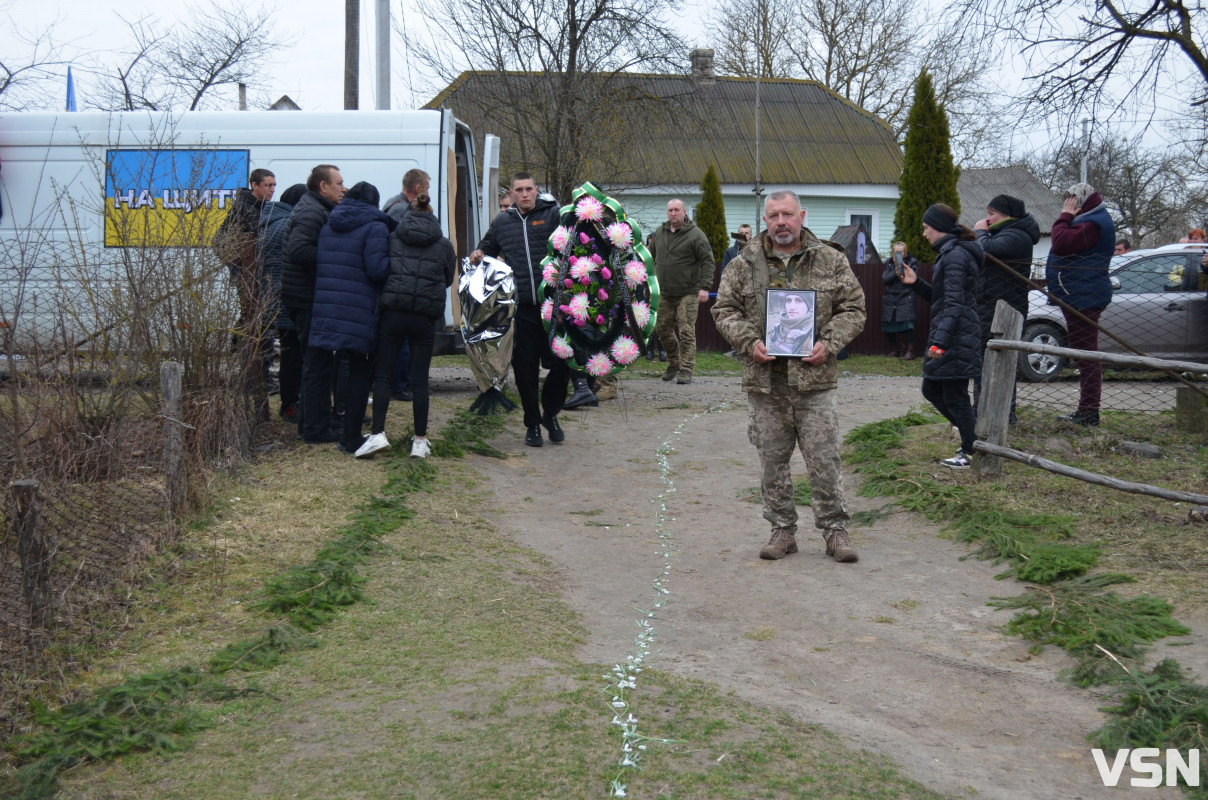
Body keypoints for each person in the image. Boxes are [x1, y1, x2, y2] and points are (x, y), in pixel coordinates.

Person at [712, 190, 866, 563]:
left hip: (814, 380)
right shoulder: (743, 262)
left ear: (802, 215)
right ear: (765, 220)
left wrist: (827, 344)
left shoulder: (830, 260)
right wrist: (749, 343)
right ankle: (782, 530)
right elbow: (724, 309)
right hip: (766, 382)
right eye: (773, 216)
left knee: (824, 458)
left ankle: (834, 531)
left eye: (788, 214)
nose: (781, 222)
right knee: (772, 461)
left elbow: (854, 309)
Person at [469, 172, 568, 448]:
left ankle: (551, 413)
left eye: (529, 189)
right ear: (511, 194)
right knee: (525, 369)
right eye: (519, 190)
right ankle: (533, 424)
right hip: (521, 308)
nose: (524, 194)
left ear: (536, 190)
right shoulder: (502, 222)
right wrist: (477, 253)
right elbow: (485, 249)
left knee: (562, 363)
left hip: (553, 306)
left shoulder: (553, 216)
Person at [359, 191, 456, 459]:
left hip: (393, 312)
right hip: (425, 316)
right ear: (432, 215)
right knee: (420, 379)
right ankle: (420, 441)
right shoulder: (445, 245)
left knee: (383, 375)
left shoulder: (393, 238)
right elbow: (447, 278)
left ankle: (377, 434)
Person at [310, 181, 396, 454]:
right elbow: (377, 270)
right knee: (360, 372)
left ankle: (338, 430)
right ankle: (351, 437)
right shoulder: (376, 227)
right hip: (360, 309)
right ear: (374, 203)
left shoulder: (329, 224)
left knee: (338, 367)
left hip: (329, 307)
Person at [900, 204, 984, 469]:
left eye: (926, 228)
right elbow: (942, 299)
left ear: (938, 227)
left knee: (953, 394)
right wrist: (916, 284)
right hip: (954, 331)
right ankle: (974, 437)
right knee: (934, 389)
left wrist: (941, 342)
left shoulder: (956, 256)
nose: (924, 234)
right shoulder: (950, 253)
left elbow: (955, 305)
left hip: (957, 334)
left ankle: (972, 448)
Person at [282, 164, 347, 443]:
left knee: (316, 362)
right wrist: (333, 258)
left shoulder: (316, 207)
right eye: (339, 183)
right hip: (306, 298)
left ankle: (313, 424)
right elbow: (298, 250)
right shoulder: (311, 211)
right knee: (316, 363)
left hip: (307, 296)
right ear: (323, 186)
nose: (344, 189)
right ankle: (315, 430)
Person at [1045, 182, 1114, 427]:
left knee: (1086, 353)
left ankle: (1088, 412)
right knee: (1083, 352)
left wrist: (1064, 217)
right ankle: (1086, 410)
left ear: (1080, 200)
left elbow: (1062, 244)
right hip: (1078, 294)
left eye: (1070, 200)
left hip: (1084, 296)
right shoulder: (1091, 219)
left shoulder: (1092, 223)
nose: (1067, 205)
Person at [972, 194, 1040, 419]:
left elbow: (986, 249)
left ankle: (1002, 413)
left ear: (1007, 215)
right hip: (990, 306)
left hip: (1004, 309)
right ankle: (983, 409)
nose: (987, 219)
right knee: (985, 360)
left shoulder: (1017, 235)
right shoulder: (1008, 232)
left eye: (992, 214)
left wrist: (980, 231)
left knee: (1000, 362)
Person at [649, 199, 714, 384]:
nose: (673, 213)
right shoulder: (659, 233)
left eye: (677, 210)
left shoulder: (695, 235)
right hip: (665, 293)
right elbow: (649, 256)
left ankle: (686, 369)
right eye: (670, 210)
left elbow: (708, 262)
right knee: (662, 330)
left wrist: (705, 288)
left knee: (686, 331)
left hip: (688, 292)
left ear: (684, 212)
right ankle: (674, 362)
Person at [257, 182, 306, 422]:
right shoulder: (288, 224)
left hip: (275, 297)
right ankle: (290, 405)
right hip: (287, 299)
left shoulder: (270, 222)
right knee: (293, 355)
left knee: (290, 354)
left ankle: (290, 403)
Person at [383, 169, 432, 400]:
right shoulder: (402, 210)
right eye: (427, 187)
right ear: (418, 188)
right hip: (405, 283)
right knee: (402, 340)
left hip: (399, 282)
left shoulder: (392, 204)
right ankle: (399, 384)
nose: (428, 192)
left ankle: (401, 382)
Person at [880, 241, 919, 359]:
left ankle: (911, 352)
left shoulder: (912, 262)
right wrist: (895, 272)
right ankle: (894, 350)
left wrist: (902, 269)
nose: (898, 254)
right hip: (890, 298)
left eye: (900, 252)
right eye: (896, 252)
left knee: (908, 325)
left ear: (905, 253)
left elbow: (912, 278)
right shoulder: (889, 263)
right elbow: (885, 279)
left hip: (905, 296)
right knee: (888, 324)